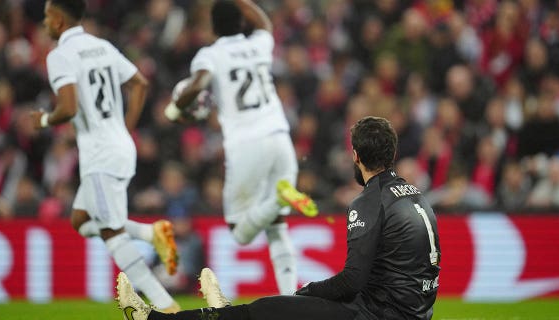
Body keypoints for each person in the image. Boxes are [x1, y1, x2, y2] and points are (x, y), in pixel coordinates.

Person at [117, 116, 442, 320]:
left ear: (355, 156)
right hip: (409, 312)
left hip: (378, 314)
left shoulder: (368, 202)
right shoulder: (416, 196)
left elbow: (351, 281)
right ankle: (227, 314)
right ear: (392, 153)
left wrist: (305, 292)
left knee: (267, 310)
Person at [31, 0, 180, 312]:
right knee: (81, 220)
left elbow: (68, 107)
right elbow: (139, 83)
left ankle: (165, 304)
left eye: (47, 14)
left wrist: (44, 120)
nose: (44, 20)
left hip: (100, 154)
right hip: (120, 145)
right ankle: (149, 232)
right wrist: (124, 128)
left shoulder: (60, 55)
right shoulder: (103, 47)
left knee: (112, 233)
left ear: (58, 18)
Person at [164, 0, 318, 296]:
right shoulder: (258, 43)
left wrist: (174, 108)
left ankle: (277, 200)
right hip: (279, 137)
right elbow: (264, 24)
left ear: (213, 28)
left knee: (240, 231)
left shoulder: (210, 54)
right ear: (242, 23)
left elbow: (195, 87)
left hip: (247, 143)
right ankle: (289, 298)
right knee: (277, 225)